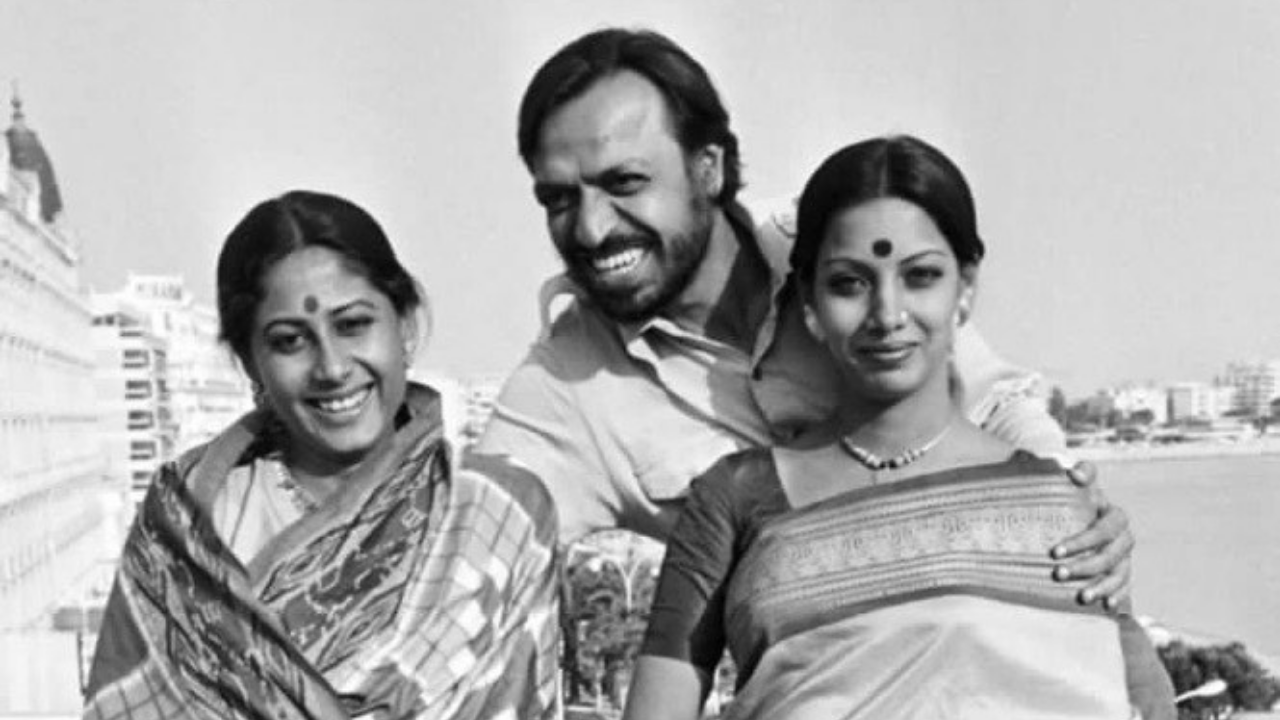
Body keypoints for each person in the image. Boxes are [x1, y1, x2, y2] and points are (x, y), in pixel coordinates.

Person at [473, 26, 1173, 710]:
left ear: (707, 166)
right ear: (813, 303)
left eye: (624, 182)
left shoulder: (844, 237)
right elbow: (472, 552)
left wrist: (1073, 515)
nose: (592, 229)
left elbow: (998, 405)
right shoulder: (563, 390)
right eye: (559, 199)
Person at [624, 135, 1173, 719]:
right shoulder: (733, 499)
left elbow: (1141, 700)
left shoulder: (1058, 507)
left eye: (920, 276)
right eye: (849, 283)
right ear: (807, 299)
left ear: (965, 288)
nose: (888, 316)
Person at [84, 191, 558, 720]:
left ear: (403, 324)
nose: (332, 367)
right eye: (291, 341)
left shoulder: (498, 518)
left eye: (354, 325)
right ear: (250, 362)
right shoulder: (188, 526)